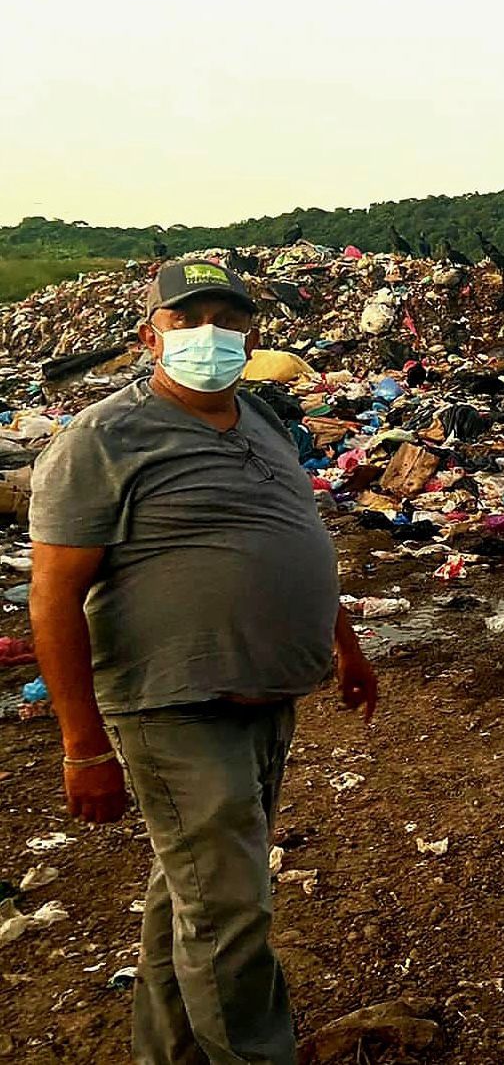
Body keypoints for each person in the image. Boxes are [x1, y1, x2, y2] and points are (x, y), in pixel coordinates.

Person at [29, 259, 379, 1065]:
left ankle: (169, 1053)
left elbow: (292, 535)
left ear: (251, 334)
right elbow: (52, 596)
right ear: (151, 332)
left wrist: (344, 644)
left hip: (266, 694)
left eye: (226, 320)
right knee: (229, 911)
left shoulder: (260, 419)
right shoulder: (104, 436)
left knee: (189, 894)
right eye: (187, 321)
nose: (208, 336)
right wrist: (81, 745)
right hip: (174, 706)